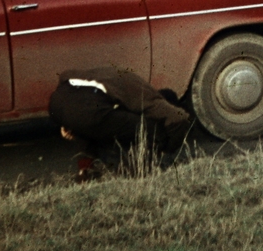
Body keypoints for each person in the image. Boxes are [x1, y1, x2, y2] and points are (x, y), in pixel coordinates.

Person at [48, 66, 191, 180]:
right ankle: (136, 170)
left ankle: (84, 171)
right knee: (149, 129)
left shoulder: (120, 78)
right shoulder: (146, 95)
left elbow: (67, 79)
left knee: (94, 123)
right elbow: (179, 118)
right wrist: (167, 149)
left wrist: (66, 124)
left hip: (57, 104)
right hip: (87, 109)